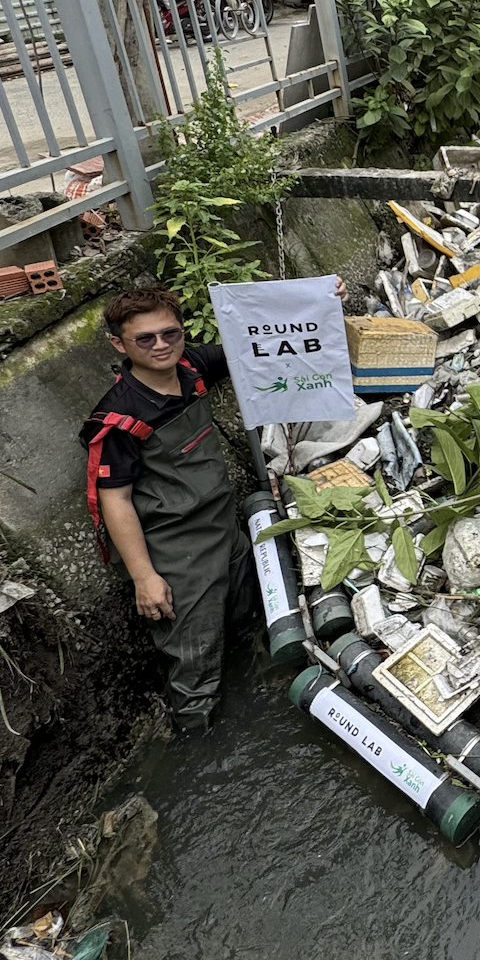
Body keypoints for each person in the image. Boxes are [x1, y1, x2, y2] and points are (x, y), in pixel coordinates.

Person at [79, 282, 343, 732]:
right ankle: (195, 731)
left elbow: (262, 340)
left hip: (226, 528)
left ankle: (251, 698)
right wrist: (145, 578)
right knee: (194, 653)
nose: (161, 345)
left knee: (244, 619)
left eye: (171, 333)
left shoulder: (192, 367)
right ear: (118, 344)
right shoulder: (120, 419)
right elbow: (115, 501)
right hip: (178, 553)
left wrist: (318, 301)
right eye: (145, 339)